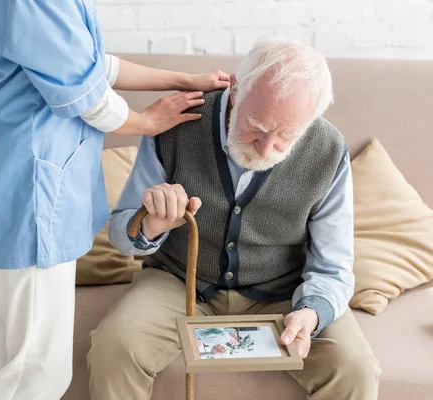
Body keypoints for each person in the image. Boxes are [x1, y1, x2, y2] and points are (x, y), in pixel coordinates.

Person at [0, 1, 231, 399]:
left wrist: (186, 79)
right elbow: (86, 95)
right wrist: (146, 122)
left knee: (9, 350)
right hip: (31, 185)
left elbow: (90, 65)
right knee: (35, 367)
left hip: (19, 177)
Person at [87, 36, 381, 400]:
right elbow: (120, 234)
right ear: (237, 89)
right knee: (115, 348)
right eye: (257, 126)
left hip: (284, 292)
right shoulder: (175, 122)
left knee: (355, 368)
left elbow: (333, 266)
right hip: (179, 282)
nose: (267, 147)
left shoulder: (328, 149)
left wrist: (312, 314)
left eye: (285, 136)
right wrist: (151, 224)